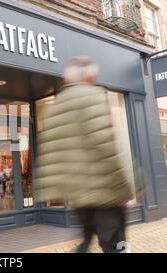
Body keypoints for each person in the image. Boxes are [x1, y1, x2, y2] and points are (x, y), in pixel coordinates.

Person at [34, 56, 135, 253]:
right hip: (104, 192)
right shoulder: (93, 96)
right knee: (116, 245)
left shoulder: (53, 108)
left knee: (85, 242)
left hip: (77, 196)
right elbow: (106, 145)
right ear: (90, 76)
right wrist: (127, 188)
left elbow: (50, 157)